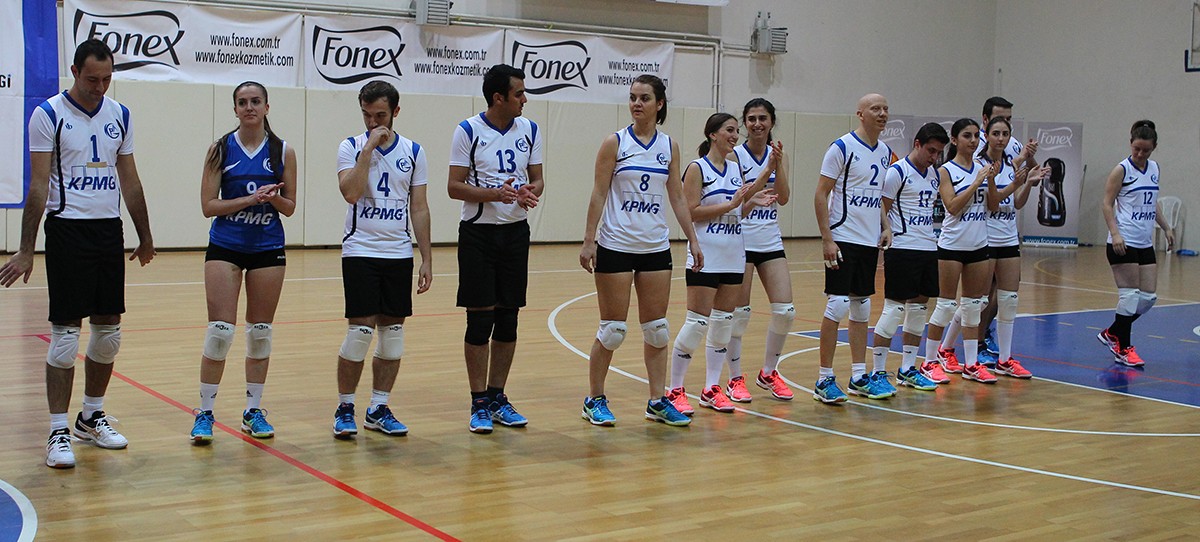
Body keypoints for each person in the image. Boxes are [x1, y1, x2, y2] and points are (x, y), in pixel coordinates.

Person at [0, 39, 155, 468]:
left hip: (107, 231)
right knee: (66, 339)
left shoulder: (120, 115)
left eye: (106, 79)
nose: (99, 87)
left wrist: (145, 235)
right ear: (74, 71)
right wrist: (26, 249)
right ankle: (57, 430)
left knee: (108, 334)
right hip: (67, 230)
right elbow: (37, 185)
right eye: (91, 79)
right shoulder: (48, 114)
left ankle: (91, 417)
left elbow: (130, 181)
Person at [578, 75, 699, 427]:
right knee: (613, 329)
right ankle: (594, 399)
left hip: (655, 247)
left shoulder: (669, 146)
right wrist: (589, 239)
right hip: (616, 244)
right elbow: (599, 193)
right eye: (632, 97)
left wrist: (693, 239)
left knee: (657, 329)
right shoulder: (614, 143)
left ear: (659, 104)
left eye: (644, 98)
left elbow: (677, 197)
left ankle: (657, 401)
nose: (636, 104)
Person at [189, 81, 297, 443]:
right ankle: (205, 412)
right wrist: (249, 201)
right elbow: (208, 206)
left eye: (255, 101)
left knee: (260, 333)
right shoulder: (220, 149)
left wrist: (272, 198)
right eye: (242, 102)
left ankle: (253, 410)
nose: (249, 107)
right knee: (220, 332)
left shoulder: (283, 150)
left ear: (267, 107)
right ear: (235, 109)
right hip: (227, 244)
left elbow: (290, 207)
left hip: (267, 246)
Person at [331, 81, 432, 439]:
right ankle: (345, 407)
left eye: (380, 116)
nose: (373, 123)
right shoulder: (350, 146)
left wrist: (426, 258)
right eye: (367, 115)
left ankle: (378, 407)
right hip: (361, 250)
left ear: (395, 112)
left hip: (398, 252)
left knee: (392, 337)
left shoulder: (414, 151)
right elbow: (350, 192)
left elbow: (419, 208)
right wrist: (369, 149)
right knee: (359, 333)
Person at [448, 64, 544, 434]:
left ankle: (497, 396)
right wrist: (494, 194)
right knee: (480, 321)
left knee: (508, 319)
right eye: (519, 93)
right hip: (478, 235)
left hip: (515, 234)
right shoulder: (468, 130)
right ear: (498, 97)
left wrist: (529, 191)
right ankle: (478, 402)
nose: (525, 99)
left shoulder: (529, 129)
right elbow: (454, 186)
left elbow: (538, 178)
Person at [666, 113, 776, 415]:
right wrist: (731, 204)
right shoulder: (697, 168)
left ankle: (711, 388)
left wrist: (749, 203)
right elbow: (690, 211)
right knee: (696, 325)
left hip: (733, 254)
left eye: (736, 131)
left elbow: (736, 212)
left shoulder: (735, 168)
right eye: (729, 130)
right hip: (706, 255)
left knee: (723, 324)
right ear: (712, 134)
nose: (735, 135)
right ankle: (675, 389)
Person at [812, 93, 894, 403]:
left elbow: (876, 196)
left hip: (868, 241)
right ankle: (824, 379)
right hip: (843, 237)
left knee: (861, 307)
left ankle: (859, 376)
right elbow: (820, 194)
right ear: (860, 114)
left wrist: (885, 225)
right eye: (875, 108)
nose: (882, 113)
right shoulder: (842, 147)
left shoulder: (885, 152)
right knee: (837, 305)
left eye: (885, 109)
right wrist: (827, 238)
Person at [870, 123, 949, 393]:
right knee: (894, 311)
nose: (934, 157)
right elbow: (882, 209)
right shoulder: (898, 172)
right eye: (930, 150)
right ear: (917, 144)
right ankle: (878, 372)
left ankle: (908, 369)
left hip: (927, 248)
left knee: (918, 311)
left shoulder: (934, 174)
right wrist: (885, 236)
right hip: (902, 248)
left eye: (938, 153)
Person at [728, 98, 795, 402]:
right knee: (739, 315)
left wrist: (777, 166)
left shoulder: (778, 154)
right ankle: (734, 378)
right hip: (740, 239)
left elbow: (784, 198)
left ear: (771, 122)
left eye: (763, 118)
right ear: (745, 123)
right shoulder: (734, 155)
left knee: (785, 311)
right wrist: (765, 171)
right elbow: (738, 201)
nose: (757, 124)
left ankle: (769, 372)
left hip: (770, 239)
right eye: (752, 119)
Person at [924, 118, 997, 384]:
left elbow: (993, 206)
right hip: (952, 245)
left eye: (977, 135)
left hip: (978, 244)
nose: (974, 141)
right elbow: (952, 206)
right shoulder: (945, 170)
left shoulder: (982, 167)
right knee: (945, 306)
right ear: (954, 140)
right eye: (967, 135)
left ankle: (971, 364)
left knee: (973, 307)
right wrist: (976, 182)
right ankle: (929, 362)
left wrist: (990, 181)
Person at [1098, 120, 1172, 367]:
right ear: (1130, 144)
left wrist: (1166, 227)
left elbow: (1152, 201)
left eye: (1145, 150)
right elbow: (1107, 203)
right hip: (1123, 241)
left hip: (1144, 242)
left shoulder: (1154, 168)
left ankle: (1112, 332)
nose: (1140, 154)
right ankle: (1123, 348)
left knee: (1148, 298)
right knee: (1129, 296)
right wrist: (1115, 233)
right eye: (1136, 148)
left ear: (1154, 148)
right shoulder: (1121, 170)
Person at [980, 117, 1045, 378]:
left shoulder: (1011, 164)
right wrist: (1016, 184)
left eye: (1005, 134)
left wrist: (1027, 183)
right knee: (977, 300)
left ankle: (1005, 358)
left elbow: (1016, 203)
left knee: (1009, 299)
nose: (1000, 138)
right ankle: (953, 348)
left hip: (1008, 238)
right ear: (986, 135)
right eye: (996, 133)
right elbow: (993, 202)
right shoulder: (980, 165)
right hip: (985, 238)